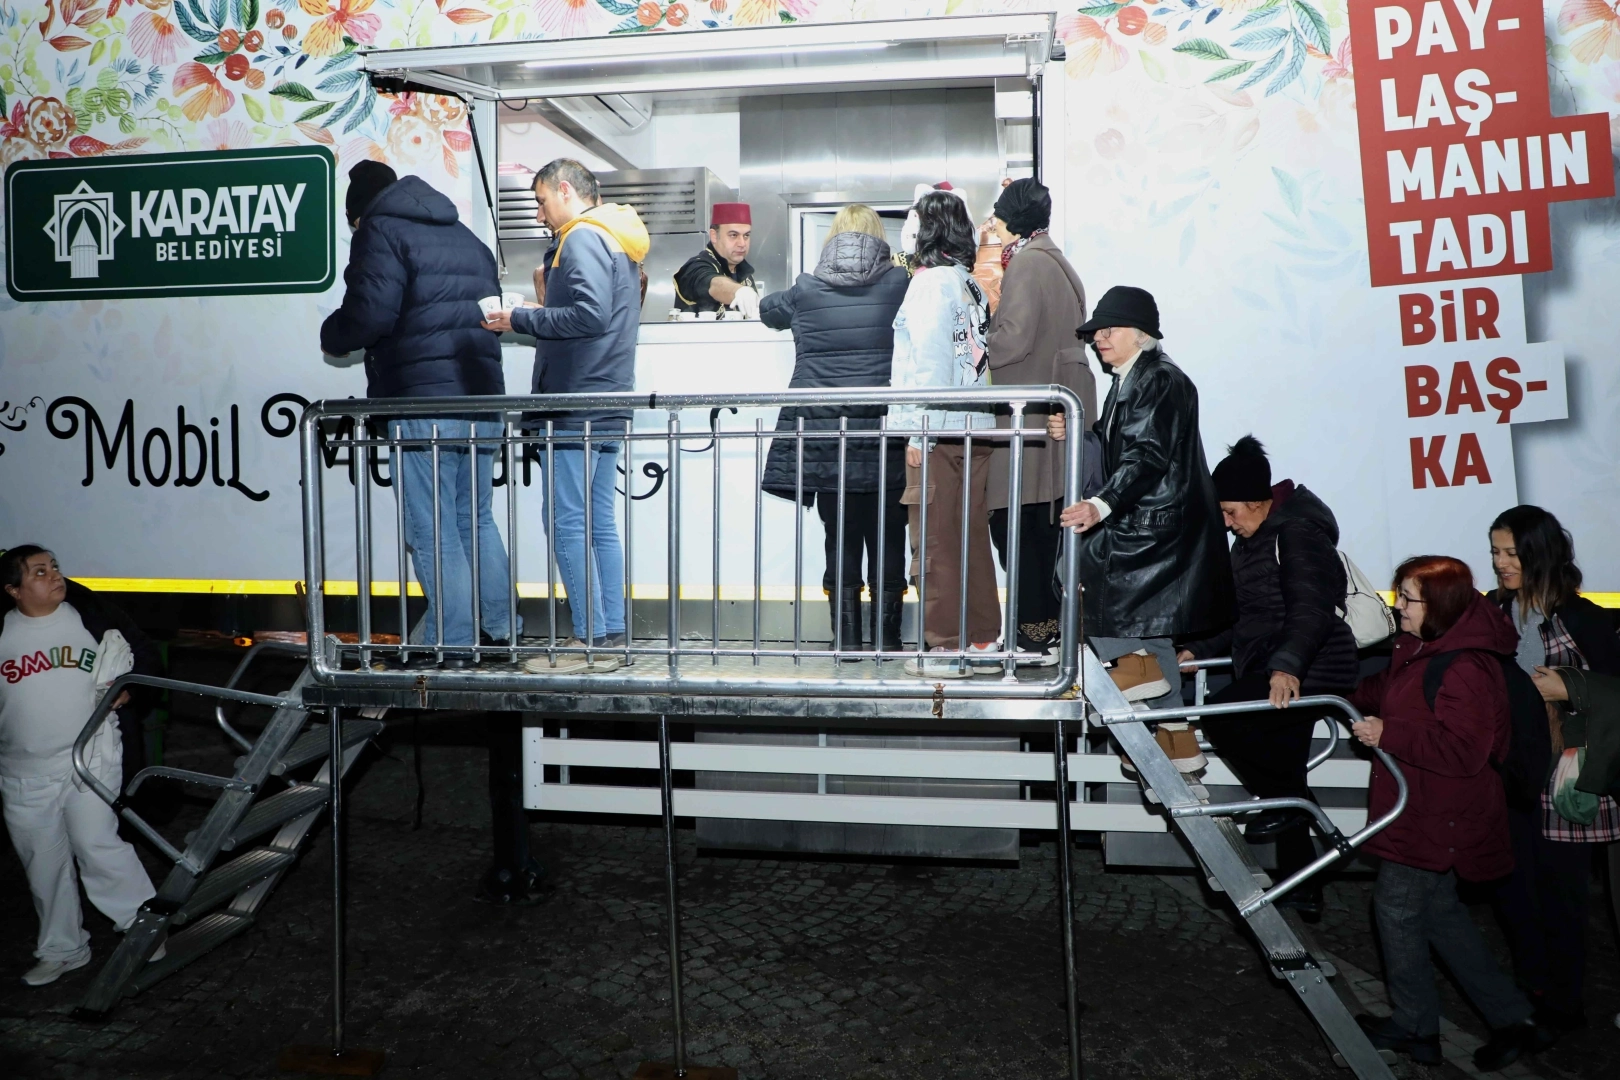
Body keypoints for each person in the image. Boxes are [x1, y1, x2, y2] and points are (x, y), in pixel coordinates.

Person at [1348, 556, 1551, 1072]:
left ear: (1438, 605)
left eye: (1408, 599)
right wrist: (1319, 682)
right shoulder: (1422, 647)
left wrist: (1388, 734)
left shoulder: (1464, 666)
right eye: (1399, 595)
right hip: (1426, 809)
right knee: (1441, 915)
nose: (1399, 607)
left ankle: (1416, 1027)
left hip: (1441, 816)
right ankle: (1515, 1020)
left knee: (1396, 909)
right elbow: (1381, 690)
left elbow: (1465, 752)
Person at [320, 160, 514, 669]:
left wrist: (333, 334)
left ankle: (455, 641)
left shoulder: (380, 231)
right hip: (482, 401)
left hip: (423, 404)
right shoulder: (466, 236)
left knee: (432, 528)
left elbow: (371, 314)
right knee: (475, 519)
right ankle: (500, 630)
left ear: (359, 213)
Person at [1176, 437, 1359, 921]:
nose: (1227, 522)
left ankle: (1290, 812)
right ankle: (1306, 885)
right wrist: (1199, 650)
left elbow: (1311, 608)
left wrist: (1286, 667)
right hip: (1277, 664)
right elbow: (1244, 616)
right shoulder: (1254, 539)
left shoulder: (1295, 534)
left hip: (1311, 667)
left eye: (1231, 512)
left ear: (1258, 502)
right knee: (1286, 768)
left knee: (1223, 719)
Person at [1055, 287, 1234, 771]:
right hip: (1153, 522)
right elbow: (1126, 442)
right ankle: (1176, 739)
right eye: (1096, 331)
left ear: (1141, 334)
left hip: (1156, 527)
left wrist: (1101, 504)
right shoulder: (1137, 377)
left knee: (1082, 574)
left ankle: (1131, 679)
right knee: (1150, 633)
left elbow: (1147, 453)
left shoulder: (1158, 379)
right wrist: (1081, 434)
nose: (1099, 338)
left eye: (1109, 329)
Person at [482, 159, 649, 674]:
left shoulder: (581, 238)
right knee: (598, 522)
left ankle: (591, 636)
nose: (539, 214)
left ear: (565, 190)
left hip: (575, 403)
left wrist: (521, 318)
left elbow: (589, 315)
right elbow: (599, 315)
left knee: (566, 521)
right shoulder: (617, 238)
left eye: (541, 201)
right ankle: (611, 631)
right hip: (608, 399)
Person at [1485, 505, 1620, 1036]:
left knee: (1561, 897)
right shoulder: (1495, 610)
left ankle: (1564, 1006)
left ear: (1539, 555)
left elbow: (1613, 695)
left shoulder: (1583, 618)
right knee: (1514, 888)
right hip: (1513, 772)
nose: (1500, 563)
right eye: (1495, 552)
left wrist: (1567, 689)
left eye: (1511, 554)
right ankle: (1533, 988)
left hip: (1567, 777)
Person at [1, 546, 160, 987]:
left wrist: (129, 689)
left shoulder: (89, 616)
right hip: (23, 771)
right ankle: (62, 949)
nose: (54, 575)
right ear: (13, 590)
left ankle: (145, 931)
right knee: (42, 864)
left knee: (97, 843)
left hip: (91, 757)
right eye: (39, 572)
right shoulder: (4, 632)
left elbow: (143, 657)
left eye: (54, 567)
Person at [758, 204, 912, 655]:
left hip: (827, 439)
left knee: (839, 536)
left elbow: (768, 310)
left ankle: (845, 640)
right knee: (891, 535)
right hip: (888, 434)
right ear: (880, 238)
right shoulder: (903, 284)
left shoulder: (806, 288)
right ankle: (887, 640)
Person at [889, 189, 1000, 678]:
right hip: (973, 425)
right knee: (969, 535)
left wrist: (919, 434)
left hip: (937, 429)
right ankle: (980, 638)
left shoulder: (930, 283)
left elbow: (930, 362)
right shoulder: (966, 281)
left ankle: (945, 646)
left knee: (934, 540)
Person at [982, 178, 1092, 666]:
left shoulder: (1026, 264)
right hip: (1053, 422)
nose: (993, 222)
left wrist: (982, 332)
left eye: (998, 214)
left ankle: (1033, 639)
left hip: (1026, 425)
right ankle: (1047, 635)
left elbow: (1012, 340)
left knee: (1018, 531)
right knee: (1043, 532)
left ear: (1013, 218)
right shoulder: (1058, 262)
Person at [672, 202, 758, 318]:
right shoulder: (695, 267)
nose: (742, 243)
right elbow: (714, 284)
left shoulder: (746, 275)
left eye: (746, 235)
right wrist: (738, 291)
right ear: (714, 236)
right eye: (733, 235)